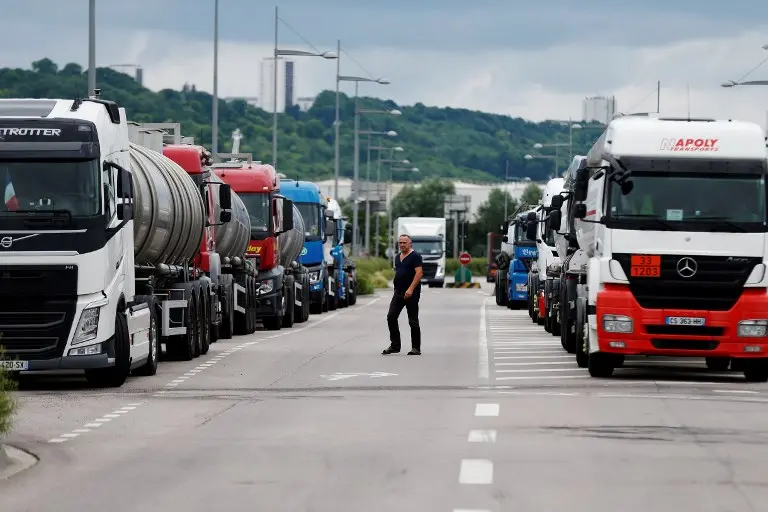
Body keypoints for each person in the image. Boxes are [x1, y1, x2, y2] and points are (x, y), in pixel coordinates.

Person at [382, 234, 423, 355]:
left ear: (410, 243)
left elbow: (419, 273)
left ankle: (416, 348)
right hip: (398, 293)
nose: (402, 245)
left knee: (413, 321)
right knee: (391, 317)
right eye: (400, 243)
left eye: (404, 242)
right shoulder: (397, 257)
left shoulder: (415, 256)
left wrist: (410, 289)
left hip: (411, 294)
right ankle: (395, 346)